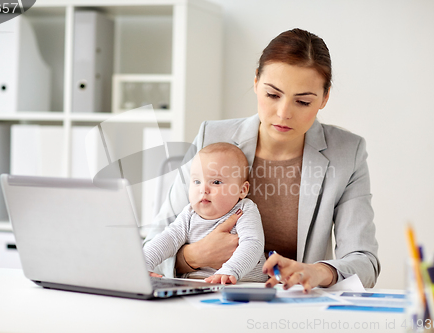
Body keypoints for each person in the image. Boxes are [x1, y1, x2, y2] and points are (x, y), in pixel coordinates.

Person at [144, 28, 380, 291]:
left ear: (324, 98)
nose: (283, 113)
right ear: (256, 82)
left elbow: (365, 262)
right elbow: (156, 240)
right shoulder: (212, 136)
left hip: (293, 307)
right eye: (273, 95)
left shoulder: (347, 152)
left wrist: (318, 272)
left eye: (302, 102)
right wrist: (193, 257)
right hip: (208, 298)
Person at [144, 143, 268, 284]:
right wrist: (143, 264)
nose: (203, 189)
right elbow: (167, 239)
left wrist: (230, 270)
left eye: (216, 182)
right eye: (197, 181)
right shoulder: (189, 214)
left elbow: (253, 244)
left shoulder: (244, 210)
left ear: (242, 190)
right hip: (195, 285)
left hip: (242, 284)